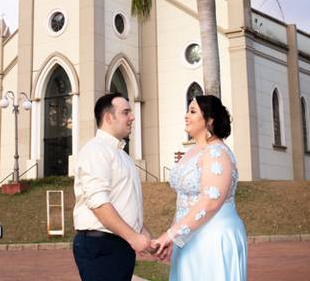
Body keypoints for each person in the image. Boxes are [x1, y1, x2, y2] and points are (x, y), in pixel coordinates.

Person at [152, 95, 247, 280]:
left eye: (193, 111)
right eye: (188, 110)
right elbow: (183, 202)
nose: (186, 116)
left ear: (209, 120)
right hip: (187, 236)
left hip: (211, 236)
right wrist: (175, 236)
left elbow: (211, 201)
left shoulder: (217, 152)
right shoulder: (193, 151)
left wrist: (171, 234)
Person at [72, 92, 152, 281]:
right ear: (109, 117)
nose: (132, 117)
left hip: (118, 244)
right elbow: (99, 203)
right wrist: (133, 237)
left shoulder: (122, 155)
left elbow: (124, 203)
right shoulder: (95, 151)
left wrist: (145, 235)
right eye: (126, 112)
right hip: (101, 246)